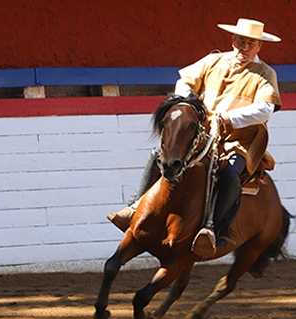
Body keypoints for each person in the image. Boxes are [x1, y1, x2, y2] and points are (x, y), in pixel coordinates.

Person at [108, 18, 282, 257]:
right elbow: (184, 82)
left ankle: (212, 229)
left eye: (250, 43)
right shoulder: (213, 61)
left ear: (259, 47)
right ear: (233, 40)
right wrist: (191, 106)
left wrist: (227, 118)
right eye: (240, 41)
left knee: (230, 174)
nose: (244, 47)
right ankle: (135, 206)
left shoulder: (264, 74)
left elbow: (265, 109)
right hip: (203, 135)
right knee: (160, 154)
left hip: (238, 141)